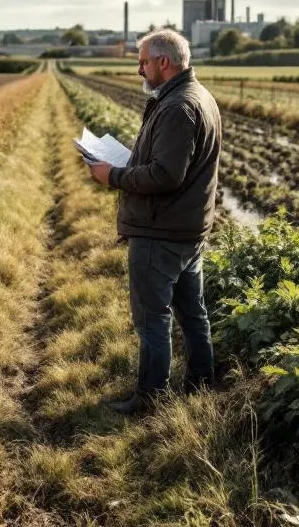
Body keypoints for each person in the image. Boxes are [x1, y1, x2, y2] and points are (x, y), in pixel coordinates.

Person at [85, 28, 221, 415]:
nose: (139, 68)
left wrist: (111, 175)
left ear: (164, 62)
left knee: (152, 319)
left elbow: (166, 175)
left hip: (161, 230)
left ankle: (151, 399)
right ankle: (201, 383)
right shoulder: (198, 97)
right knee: (192, 311)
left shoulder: (179, 106)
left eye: (143, 61)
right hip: (187, 228)